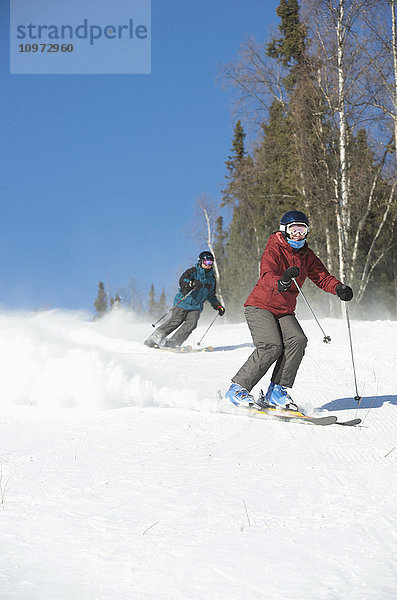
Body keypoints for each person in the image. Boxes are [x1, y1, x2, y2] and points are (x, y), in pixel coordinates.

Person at [225, 210, 353, 409]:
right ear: (285, 230)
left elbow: (322, 277)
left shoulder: (306, 255)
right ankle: (237, 389)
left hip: (284, 309)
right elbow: (267, 274)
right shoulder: (274, 248)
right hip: (260, 306)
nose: (298, 235)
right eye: (294, 230)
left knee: (298, 340)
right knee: (271, 345)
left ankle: (276, 391)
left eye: (302, 230)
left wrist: (338, 288)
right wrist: (282, 281)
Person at [144, 251, 225, 349]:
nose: (208, 265)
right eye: (206, 262)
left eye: (210, 263)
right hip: (183, 302)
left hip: (196, 307)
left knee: (192, 324)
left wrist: (217, 305)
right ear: (201, 261)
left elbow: (211, 295)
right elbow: (182, 280)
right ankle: (153, 339)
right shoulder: (192, 271)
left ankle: (173, 343)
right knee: (175, 321)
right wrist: (192, 283)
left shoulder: (211, 279)